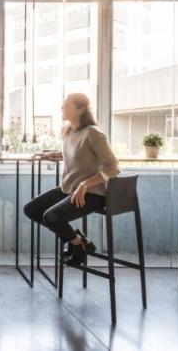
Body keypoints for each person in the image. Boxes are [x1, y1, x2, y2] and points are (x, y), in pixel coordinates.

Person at [23, 93, 120, 265]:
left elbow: (113, 167)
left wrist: (85, 184)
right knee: (31, 209)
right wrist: (52, 154)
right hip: (68, 190)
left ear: (80, 110)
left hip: (92, 194)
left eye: (67, 105)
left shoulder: (93, 133)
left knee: (51, 217)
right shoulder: (68, 131)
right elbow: (77, 152)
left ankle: (77, 244)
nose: (62, 107)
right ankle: (78, 241)